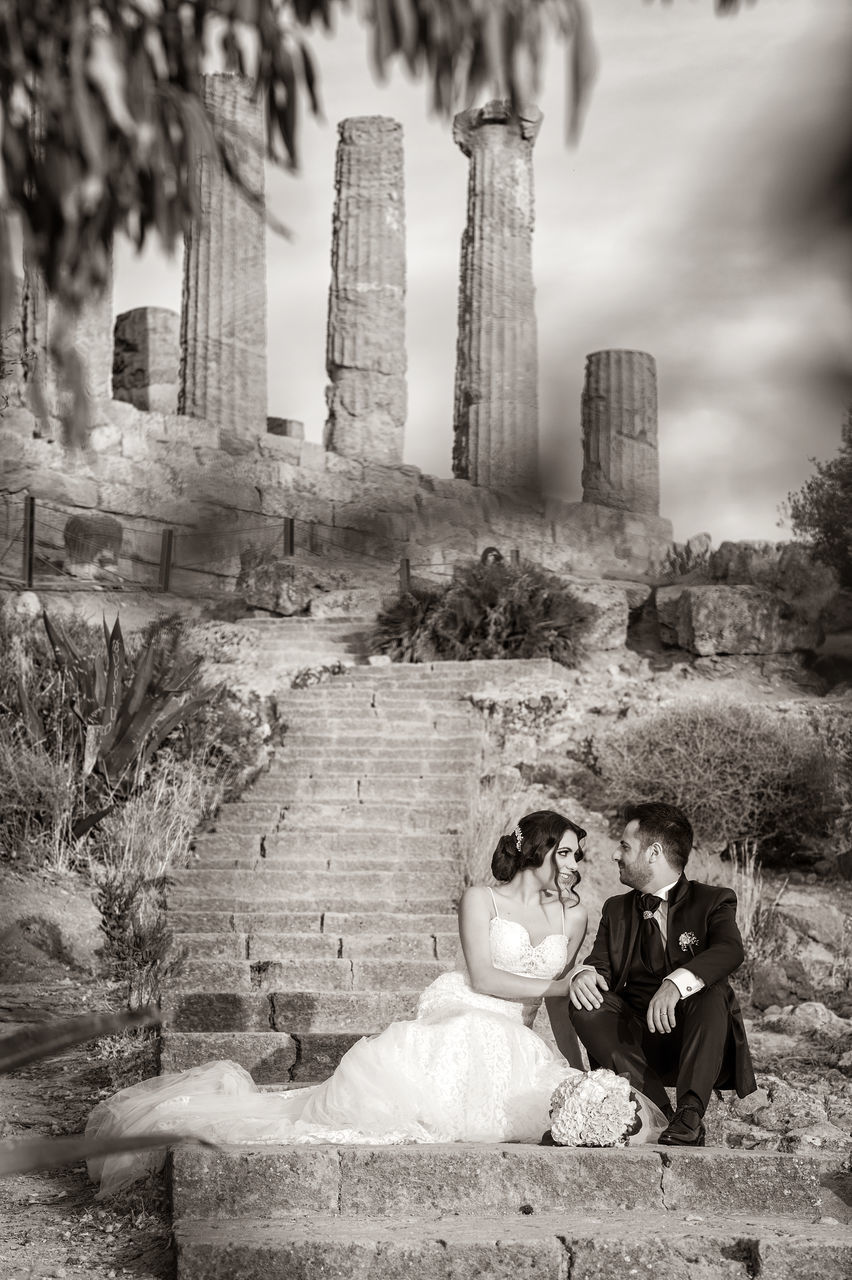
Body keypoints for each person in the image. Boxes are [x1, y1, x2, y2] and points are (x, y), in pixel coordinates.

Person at [85, 809, 665, 1197]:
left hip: (520, 1031)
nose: (573, 867)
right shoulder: (479, 899)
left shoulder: (575, 915)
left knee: (538, 1103)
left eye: (577, 858)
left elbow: (562, 1003)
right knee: (436, 1068)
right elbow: (486, 977)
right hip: (471, 1011)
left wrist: (575, 1066)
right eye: (565, 854)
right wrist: (560, 987)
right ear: (539, 852)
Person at [555, 802, 756, 1147]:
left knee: (712, 990)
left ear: (654, 852)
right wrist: (582, 974)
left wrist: (676, 984)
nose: (615, 855)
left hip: (696, 1042)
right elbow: (599, 964)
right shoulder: (616, 909)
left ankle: (691, 1113)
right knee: (587, 1003)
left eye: (624, 846)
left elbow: (730, 951)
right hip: (636, 1046)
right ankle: (662, 1113)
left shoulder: (713, 901)